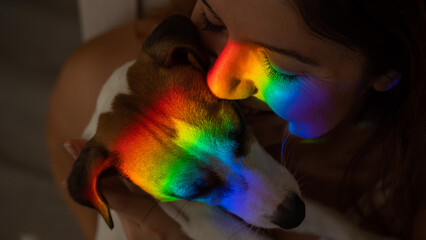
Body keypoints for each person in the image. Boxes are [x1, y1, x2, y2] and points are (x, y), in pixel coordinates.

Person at [46, 0, 426, 239]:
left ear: (384, 72)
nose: (219, 83)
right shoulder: (92, 85)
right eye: (212, 20)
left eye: (282, 69)